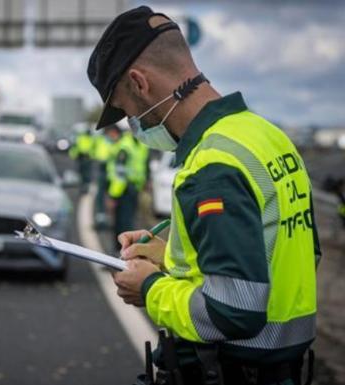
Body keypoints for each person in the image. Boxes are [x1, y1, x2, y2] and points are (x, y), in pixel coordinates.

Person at [87, 6, 320, 385]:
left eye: (127, 110)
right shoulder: (265, 136)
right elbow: (290, 250)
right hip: (282, 367)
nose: (135, 124)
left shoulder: (212, 167)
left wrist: (149, 287)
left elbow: (235, 310)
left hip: (227, 371)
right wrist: (169, 257)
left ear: (140, 82)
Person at [106, 126, 149, 247]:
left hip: (134, 188)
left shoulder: (141, 145)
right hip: (123, 190)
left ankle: (124, 250)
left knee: (128, 221)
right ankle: (121, 250)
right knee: (123, 222)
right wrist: (113, 196)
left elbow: (144, 166)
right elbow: (119, 174)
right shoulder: (125, 147)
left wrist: (145, 183)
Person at [92, 125, 114, 228]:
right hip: (102, 168)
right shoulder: (100, 139)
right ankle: (101, 218)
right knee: (101, 194)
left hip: (111, 169)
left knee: (111, 195)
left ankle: (108, 218)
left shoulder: (116, 140)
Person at [69, 124, 94, 193]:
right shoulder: (84, 138)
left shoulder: (90, 139)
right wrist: (73, 155)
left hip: (86, 158)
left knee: (85, 173)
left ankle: (84, 187)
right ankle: (83, 187)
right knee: (82, 173)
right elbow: (76, 147)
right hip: (82, 157)